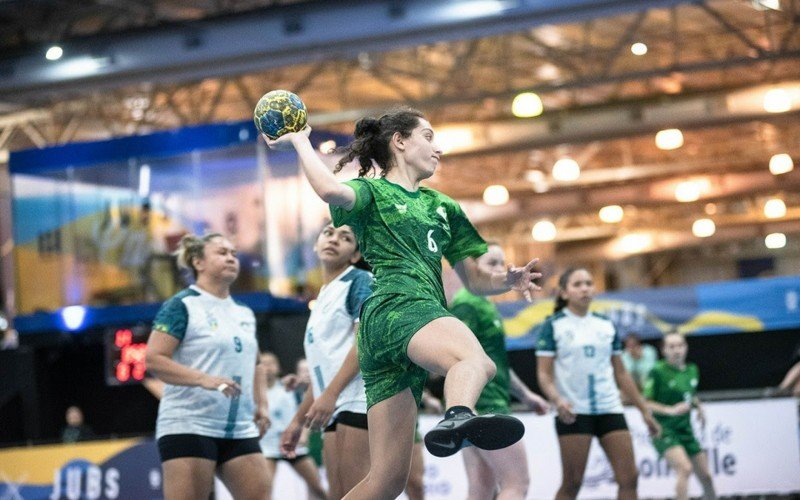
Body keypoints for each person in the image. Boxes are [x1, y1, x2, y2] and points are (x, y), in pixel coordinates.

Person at [263, 107, 541, 499]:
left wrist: (505, 280)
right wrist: (298, 139)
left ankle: (457, 416)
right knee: (477, 362)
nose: (438, 148)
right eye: (428, 136)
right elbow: (328, 189)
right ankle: (459, 414)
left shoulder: (445, 208)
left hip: (383, 336)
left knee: (387, 481)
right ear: (400, 141)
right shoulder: (372, 191)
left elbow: (476, 283)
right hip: (400, 305)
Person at [145, 233, 270, 500]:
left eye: (234, 254)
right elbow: (154, 359)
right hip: (190, 423)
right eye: (222, 252)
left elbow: (257, 362)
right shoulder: (182, 305)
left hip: (238, 426)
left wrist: (263, 405)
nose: (230, 258)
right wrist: (204, 379)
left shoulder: (244, 312)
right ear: (198, 262)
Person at [536, 267, 660, 500]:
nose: (585, 288)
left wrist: (645, 411)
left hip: (610, 408)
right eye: (577, 284)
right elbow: (544, 374)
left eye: (588, 283)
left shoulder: (606, 325)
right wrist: (557, 400)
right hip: (574, 412)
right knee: (572, 484)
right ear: (563, 293)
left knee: (630, 478)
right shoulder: (553, 326)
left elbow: (621, 374)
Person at [448, 242, 550, 500]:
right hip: (484, 404)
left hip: (479, 404)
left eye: (500, 264)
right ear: (472, 269)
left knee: (481, 488)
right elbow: (456, 357)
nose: (498, 270)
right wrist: (467, 404)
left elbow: (494, 362)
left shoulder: (483, 304)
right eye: (490, 263)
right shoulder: (467, 304)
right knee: (517, 484)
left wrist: (526, 395)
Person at [280, 222, 372, 500]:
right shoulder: (320, 298)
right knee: (338, 495)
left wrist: (331, 394)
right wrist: (297, 421)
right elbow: (323, 372)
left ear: (355, 255)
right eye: (328, 233)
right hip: (333, 405)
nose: (334, 239)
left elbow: (364, 342)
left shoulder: (359, 281)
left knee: (357, 495)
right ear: (316, 244)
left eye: (345, 238)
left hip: (358, 399)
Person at [644, 332, 716, 500]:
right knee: (684, 468)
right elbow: (646, 402)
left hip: (686, 430)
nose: (677, 350)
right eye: (671, 346)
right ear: (663, 350)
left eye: (680, 345)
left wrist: (698, 407)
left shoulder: (692, 370)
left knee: (706, 476)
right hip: (663, 430)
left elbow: (689, 395)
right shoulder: (657, 371)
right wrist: (670, 410)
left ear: (686, 347)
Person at [259, 351, 327, 500]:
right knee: (264, 492)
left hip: (294, 445)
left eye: (271, 364)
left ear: (278, 367)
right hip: (268, 448)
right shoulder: (256, 394)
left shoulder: (290, 387)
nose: (267, 368)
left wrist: (304, 434)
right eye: (263, 364)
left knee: (318, 488)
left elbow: (307, 409)